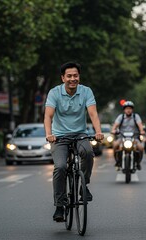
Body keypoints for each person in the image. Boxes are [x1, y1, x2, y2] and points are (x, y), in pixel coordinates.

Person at [44, 61, 104, 222]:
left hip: (80, 135)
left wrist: (98, 131)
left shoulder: (86, 91)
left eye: (75, 75)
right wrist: (49, 134)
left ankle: (84, 186)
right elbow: (48, 116)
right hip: (59, 137)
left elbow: (93, 114)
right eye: (69, 76)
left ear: (79, 77)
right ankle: (59, 205)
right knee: (61, 167)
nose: (72, 79)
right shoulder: (54, 93)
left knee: (89, 152)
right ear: (63, 78)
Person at [110, 101, 145, 171]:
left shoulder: (136, 116)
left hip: (134, 138)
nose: (128, 110)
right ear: (124, 110)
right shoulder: (121, 117)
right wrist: (113, 130)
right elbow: (115, 126)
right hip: (122, 138)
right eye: (126, 108)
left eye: (130, 108)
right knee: (115, 145)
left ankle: (138, 163)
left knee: (141, 148)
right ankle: (117, 161)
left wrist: (142, 131)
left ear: (132, 110)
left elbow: (140, 125)